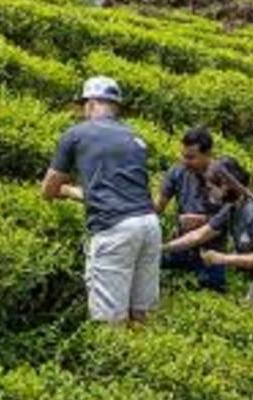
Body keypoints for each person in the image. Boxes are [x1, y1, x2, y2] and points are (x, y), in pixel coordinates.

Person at [41, 76, 161, 323]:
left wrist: (59, 190)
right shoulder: (134, 137)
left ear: (91, 103)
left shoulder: (76, 134)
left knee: (110, 319)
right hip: (149, 224)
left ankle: (117, 359)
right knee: (142, 312)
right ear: (115, 106)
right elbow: (112, 191)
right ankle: (142, 355)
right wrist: (72, 192)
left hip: (114, 228)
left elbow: (48, 187)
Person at [162, 157, 253, 323]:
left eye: (212, 187)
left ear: (226, 185)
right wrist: (163, 248)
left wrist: (223, 259)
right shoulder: (231, 208)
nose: (209, 192)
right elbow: (199, 235)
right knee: (249, 321)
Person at [155, 126, 226, 292]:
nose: (185, 161)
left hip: (210, 249)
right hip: (180, 243)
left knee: (211, 293)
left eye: (191, 157)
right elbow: (158, 206)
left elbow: (229, 217)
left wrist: (203, 220)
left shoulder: (224, 177)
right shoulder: (177, 171)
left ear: (207, 154)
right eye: (183, 155)